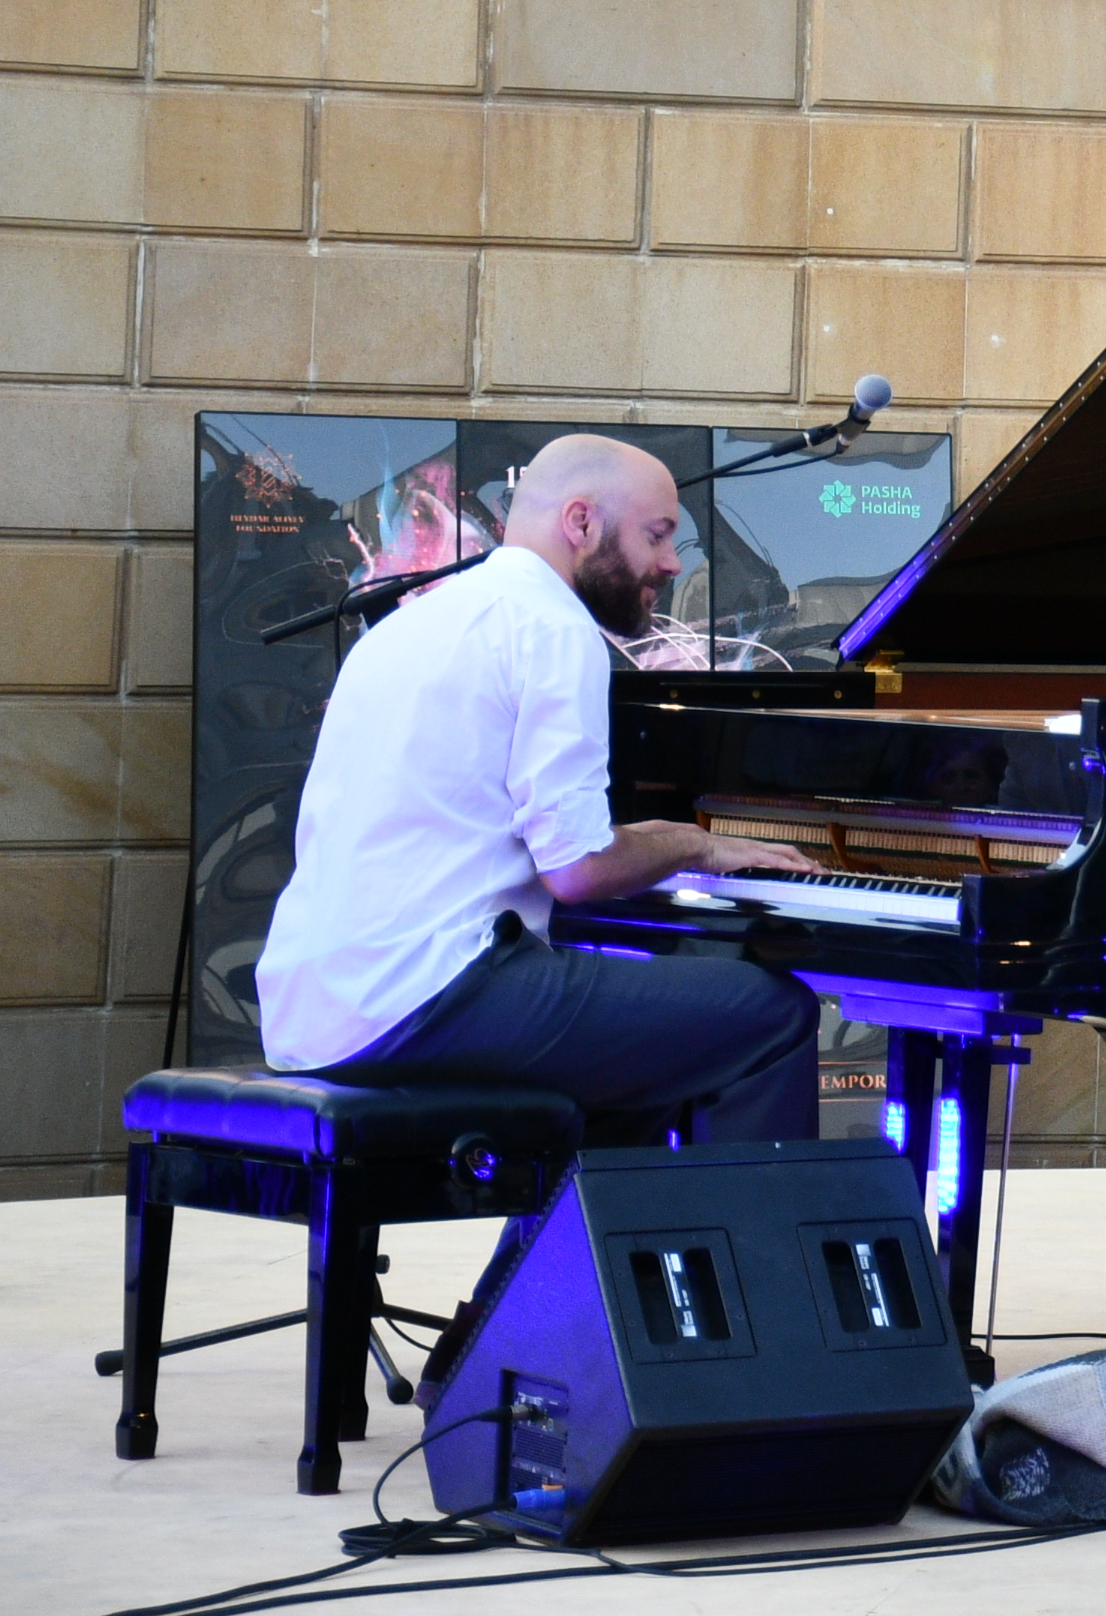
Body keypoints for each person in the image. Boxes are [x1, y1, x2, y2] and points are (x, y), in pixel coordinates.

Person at [254, 433, 821, 1140]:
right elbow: (577, 872)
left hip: (311, 1011)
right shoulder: (553, 627)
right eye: (656, 535)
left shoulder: (409, 624)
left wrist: (652, 842)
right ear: (581, 522)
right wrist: (695, 845)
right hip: (431, 995)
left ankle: (587, 1217)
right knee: (772, 1015)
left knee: (656, 1057)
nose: (673, 563)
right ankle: (749, 1221)